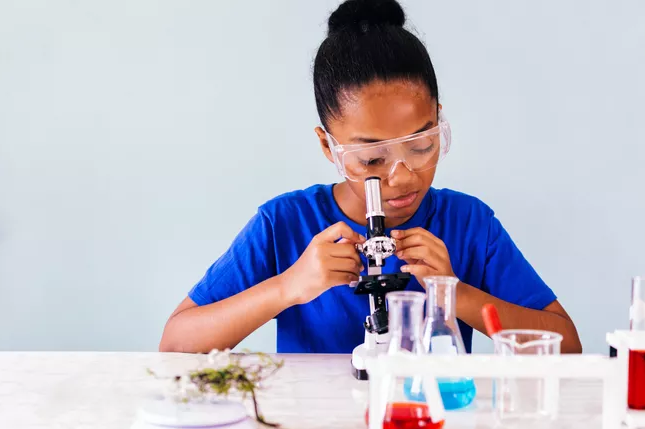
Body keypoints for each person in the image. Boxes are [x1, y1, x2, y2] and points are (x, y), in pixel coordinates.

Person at [159, 0, 582, 354]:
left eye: (421, 146)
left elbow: (566, 345)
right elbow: (176, 344)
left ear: (439, 122)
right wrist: (288, 287)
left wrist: (453, 292)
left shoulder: (470, 224)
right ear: (329, 147)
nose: (401, 177)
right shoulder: (283, 224)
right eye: (372, 158)